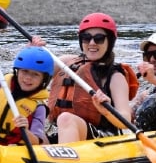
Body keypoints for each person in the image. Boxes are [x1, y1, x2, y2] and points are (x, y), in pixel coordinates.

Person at [47, 12, 138, 143]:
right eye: (86, 37)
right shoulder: (65, 62)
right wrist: (34, 51)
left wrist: (106, 111)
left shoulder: (115, 76)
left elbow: (125, 120)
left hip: (103, 138)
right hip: (66, 130)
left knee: (66, 118)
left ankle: (66, 162)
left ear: (110, 41)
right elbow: (32, 74)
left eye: (99, 38)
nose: (92, 43)